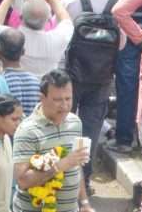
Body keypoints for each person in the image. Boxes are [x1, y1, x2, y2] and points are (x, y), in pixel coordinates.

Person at [10, 70, 87, 212]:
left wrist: (84, 203)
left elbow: (76, 166)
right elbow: (22, 181)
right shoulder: (27, 131)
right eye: (57, 100)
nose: (64, 105)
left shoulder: (75, 122)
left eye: (68, 98)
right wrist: (58, 167)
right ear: (42, 98)